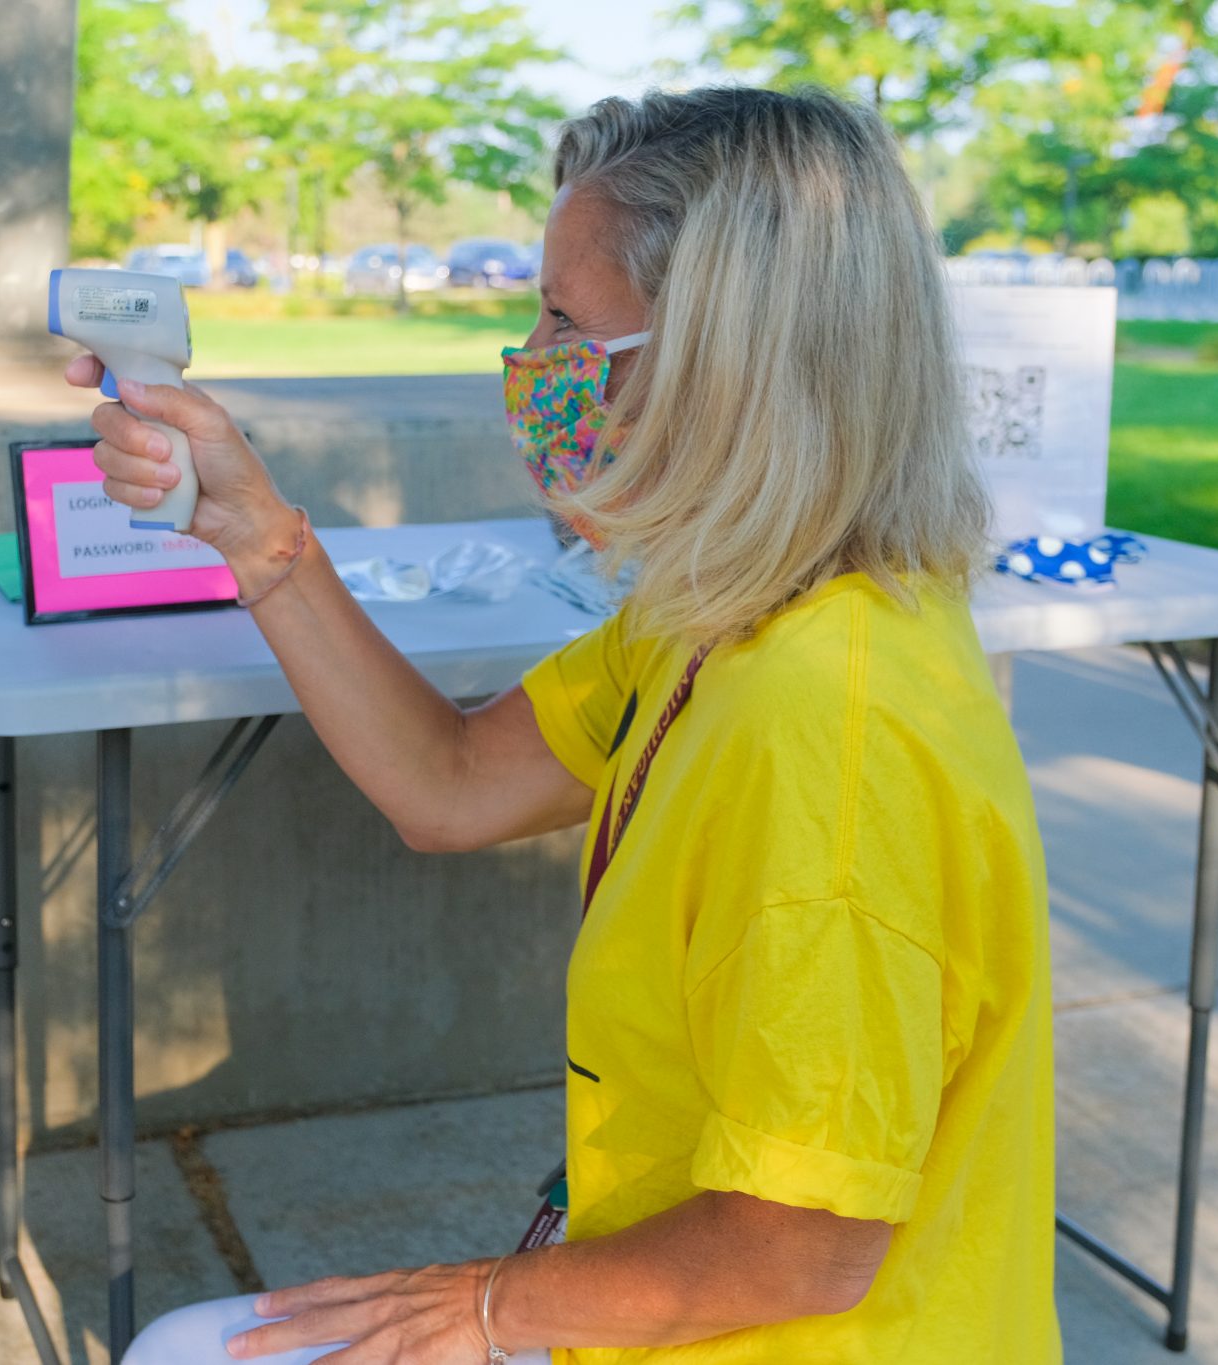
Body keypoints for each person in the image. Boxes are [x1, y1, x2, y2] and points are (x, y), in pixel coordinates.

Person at [89, 88, 1057, 1364]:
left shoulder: (829, 738)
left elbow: (801, 1243)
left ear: (724, 365)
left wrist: (479, 1307)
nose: (529, 360)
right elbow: (450, 783)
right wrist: (251, 529)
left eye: (564, 321)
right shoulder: (738, 606)